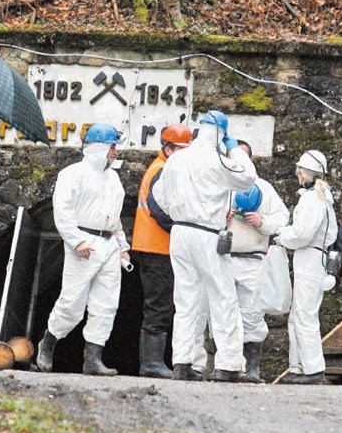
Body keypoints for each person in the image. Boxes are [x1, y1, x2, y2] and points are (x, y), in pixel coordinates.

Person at [155, 110, 257, 382]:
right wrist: (236, 151)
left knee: (186, 299)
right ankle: (229, 363)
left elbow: (159, 194)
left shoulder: (176, 158)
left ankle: (182, 361)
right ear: (221, 133)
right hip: (207, 233)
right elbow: (247, 177)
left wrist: (180, 211)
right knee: (223, 297)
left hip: (180, 231)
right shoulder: (217, 160)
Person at [36, 123, 131, 376]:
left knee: (106, 304)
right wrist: (76, 241)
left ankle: (93, 359)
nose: (115, 152)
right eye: (112, 147)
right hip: (84, 243)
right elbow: (63, 213)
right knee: (72, 303)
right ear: (99, 147)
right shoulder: (72, 174)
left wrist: (122, 246)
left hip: (109, 244)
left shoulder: (113, 178)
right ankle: (48, 342)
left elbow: (115, 217)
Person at [132, 123, 192, 379]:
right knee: (159, 305)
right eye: (179, 149)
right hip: (157, 247)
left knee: (161, 304)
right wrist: (181, 230)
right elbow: (159, 211)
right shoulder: (162, 171)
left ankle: (153, 362)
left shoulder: (163, 168)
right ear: (167, 148)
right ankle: (152, 363)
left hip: (157, 247)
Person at [227, 140, 289, 383]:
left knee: (252, 313)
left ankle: (252, 369)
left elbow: (282, 218)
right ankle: (229, 365)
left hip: (253, 259)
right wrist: (223, 215)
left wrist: (262, 222)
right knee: (224, 313)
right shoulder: (221, 185)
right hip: (223, 257)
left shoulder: (264, 187)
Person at [275, 150, 337, 385]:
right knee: (299, 314)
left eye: (299, 170)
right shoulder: (317, 198)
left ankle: (312, 369)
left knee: (305, 314)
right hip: (309, 258)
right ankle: (299, 366)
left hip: (310, 259)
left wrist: (282, 235)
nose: (296, 174)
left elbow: (302, 234)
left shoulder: (313, 200)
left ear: (307, 173)